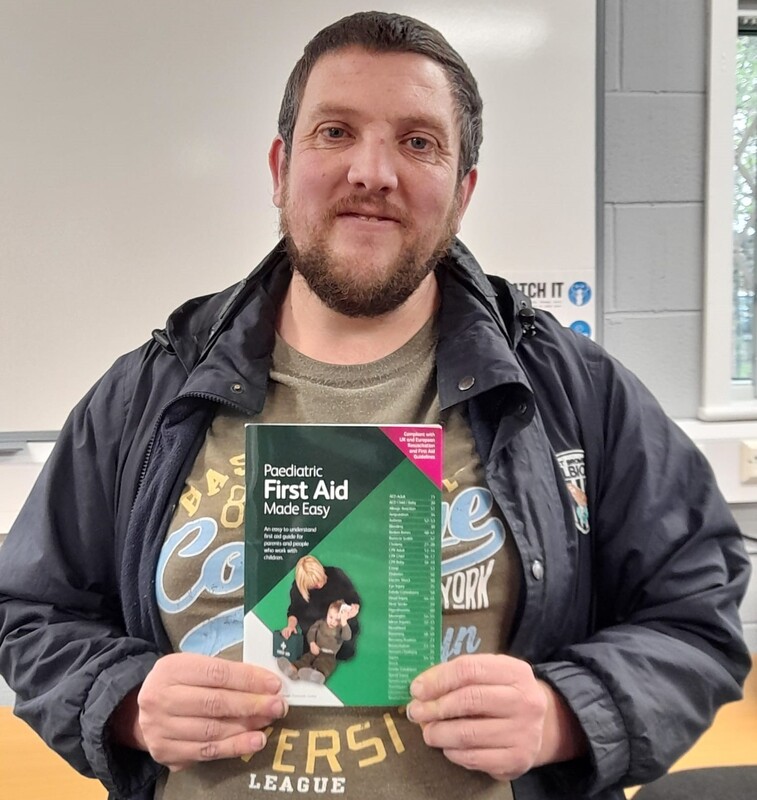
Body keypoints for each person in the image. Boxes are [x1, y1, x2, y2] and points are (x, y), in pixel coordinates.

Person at [0, 10, 751, 800]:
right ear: (280, 166)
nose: (372, 171)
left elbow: (694, 613)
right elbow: (30, 612)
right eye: (334, 132)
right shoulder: (150, 391)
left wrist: (565, 712)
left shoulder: (571, 392)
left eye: (417, 142)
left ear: (461, 192)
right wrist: (126, 704)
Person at [281, 555, 360, 660]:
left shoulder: (337, 575)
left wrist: (354, 610)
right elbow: (294, 611)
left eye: (320, 579)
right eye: (313, 584)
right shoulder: (298, 589)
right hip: (315, 633)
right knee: (304, 654)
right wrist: (291, 626)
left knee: (342, 654)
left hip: (338, 632)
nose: (319, 584)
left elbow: (354, 599)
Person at [278, 600, 353, 684]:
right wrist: (312, 643)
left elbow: (347, 637)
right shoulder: (320, 623)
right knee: (306, 658)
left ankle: (316, 674)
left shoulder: (341, 629)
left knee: (325, 663)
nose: (332, 621)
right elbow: (311, 632)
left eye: (337, 620)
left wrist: (344, 623)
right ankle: (293, 669)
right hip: (315, 649)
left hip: (329, 654)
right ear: (327, 614)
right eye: (330, 617)